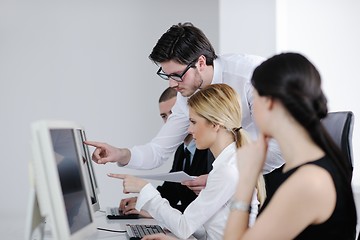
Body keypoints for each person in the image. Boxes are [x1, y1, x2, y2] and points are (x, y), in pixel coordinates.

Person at [85, 22, 284, 194]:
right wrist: (120, 153)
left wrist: (222, 177)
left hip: (279, 172)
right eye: (167, 75)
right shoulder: (186, 94)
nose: (172, 85)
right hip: (235, 176)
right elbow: (158, 150)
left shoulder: (251, 75)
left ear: (201, 62)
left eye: (177, 75)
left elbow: (281, 147)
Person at [221, 52, 357, 239]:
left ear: (269, 103)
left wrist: (246, 179)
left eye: (254, 96)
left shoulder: (309, 181)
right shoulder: (305, 168)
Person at [108, 84, 265, 240]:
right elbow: (211, 231)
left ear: (215, 124)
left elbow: (184, 227)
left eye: (193, 122)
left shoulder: (227, 170)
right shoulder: (229, 164)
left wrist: (145, 189)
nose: (189, 130)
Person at [120, 87, 214, 217]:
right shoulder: (182, 150)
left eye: (174, 114)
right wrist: (143, 202)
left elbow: (201, 212)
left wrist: (154, 210)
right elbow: (170, 192)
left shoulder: (211, 152)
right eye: (165, 116)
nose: (171, 121)